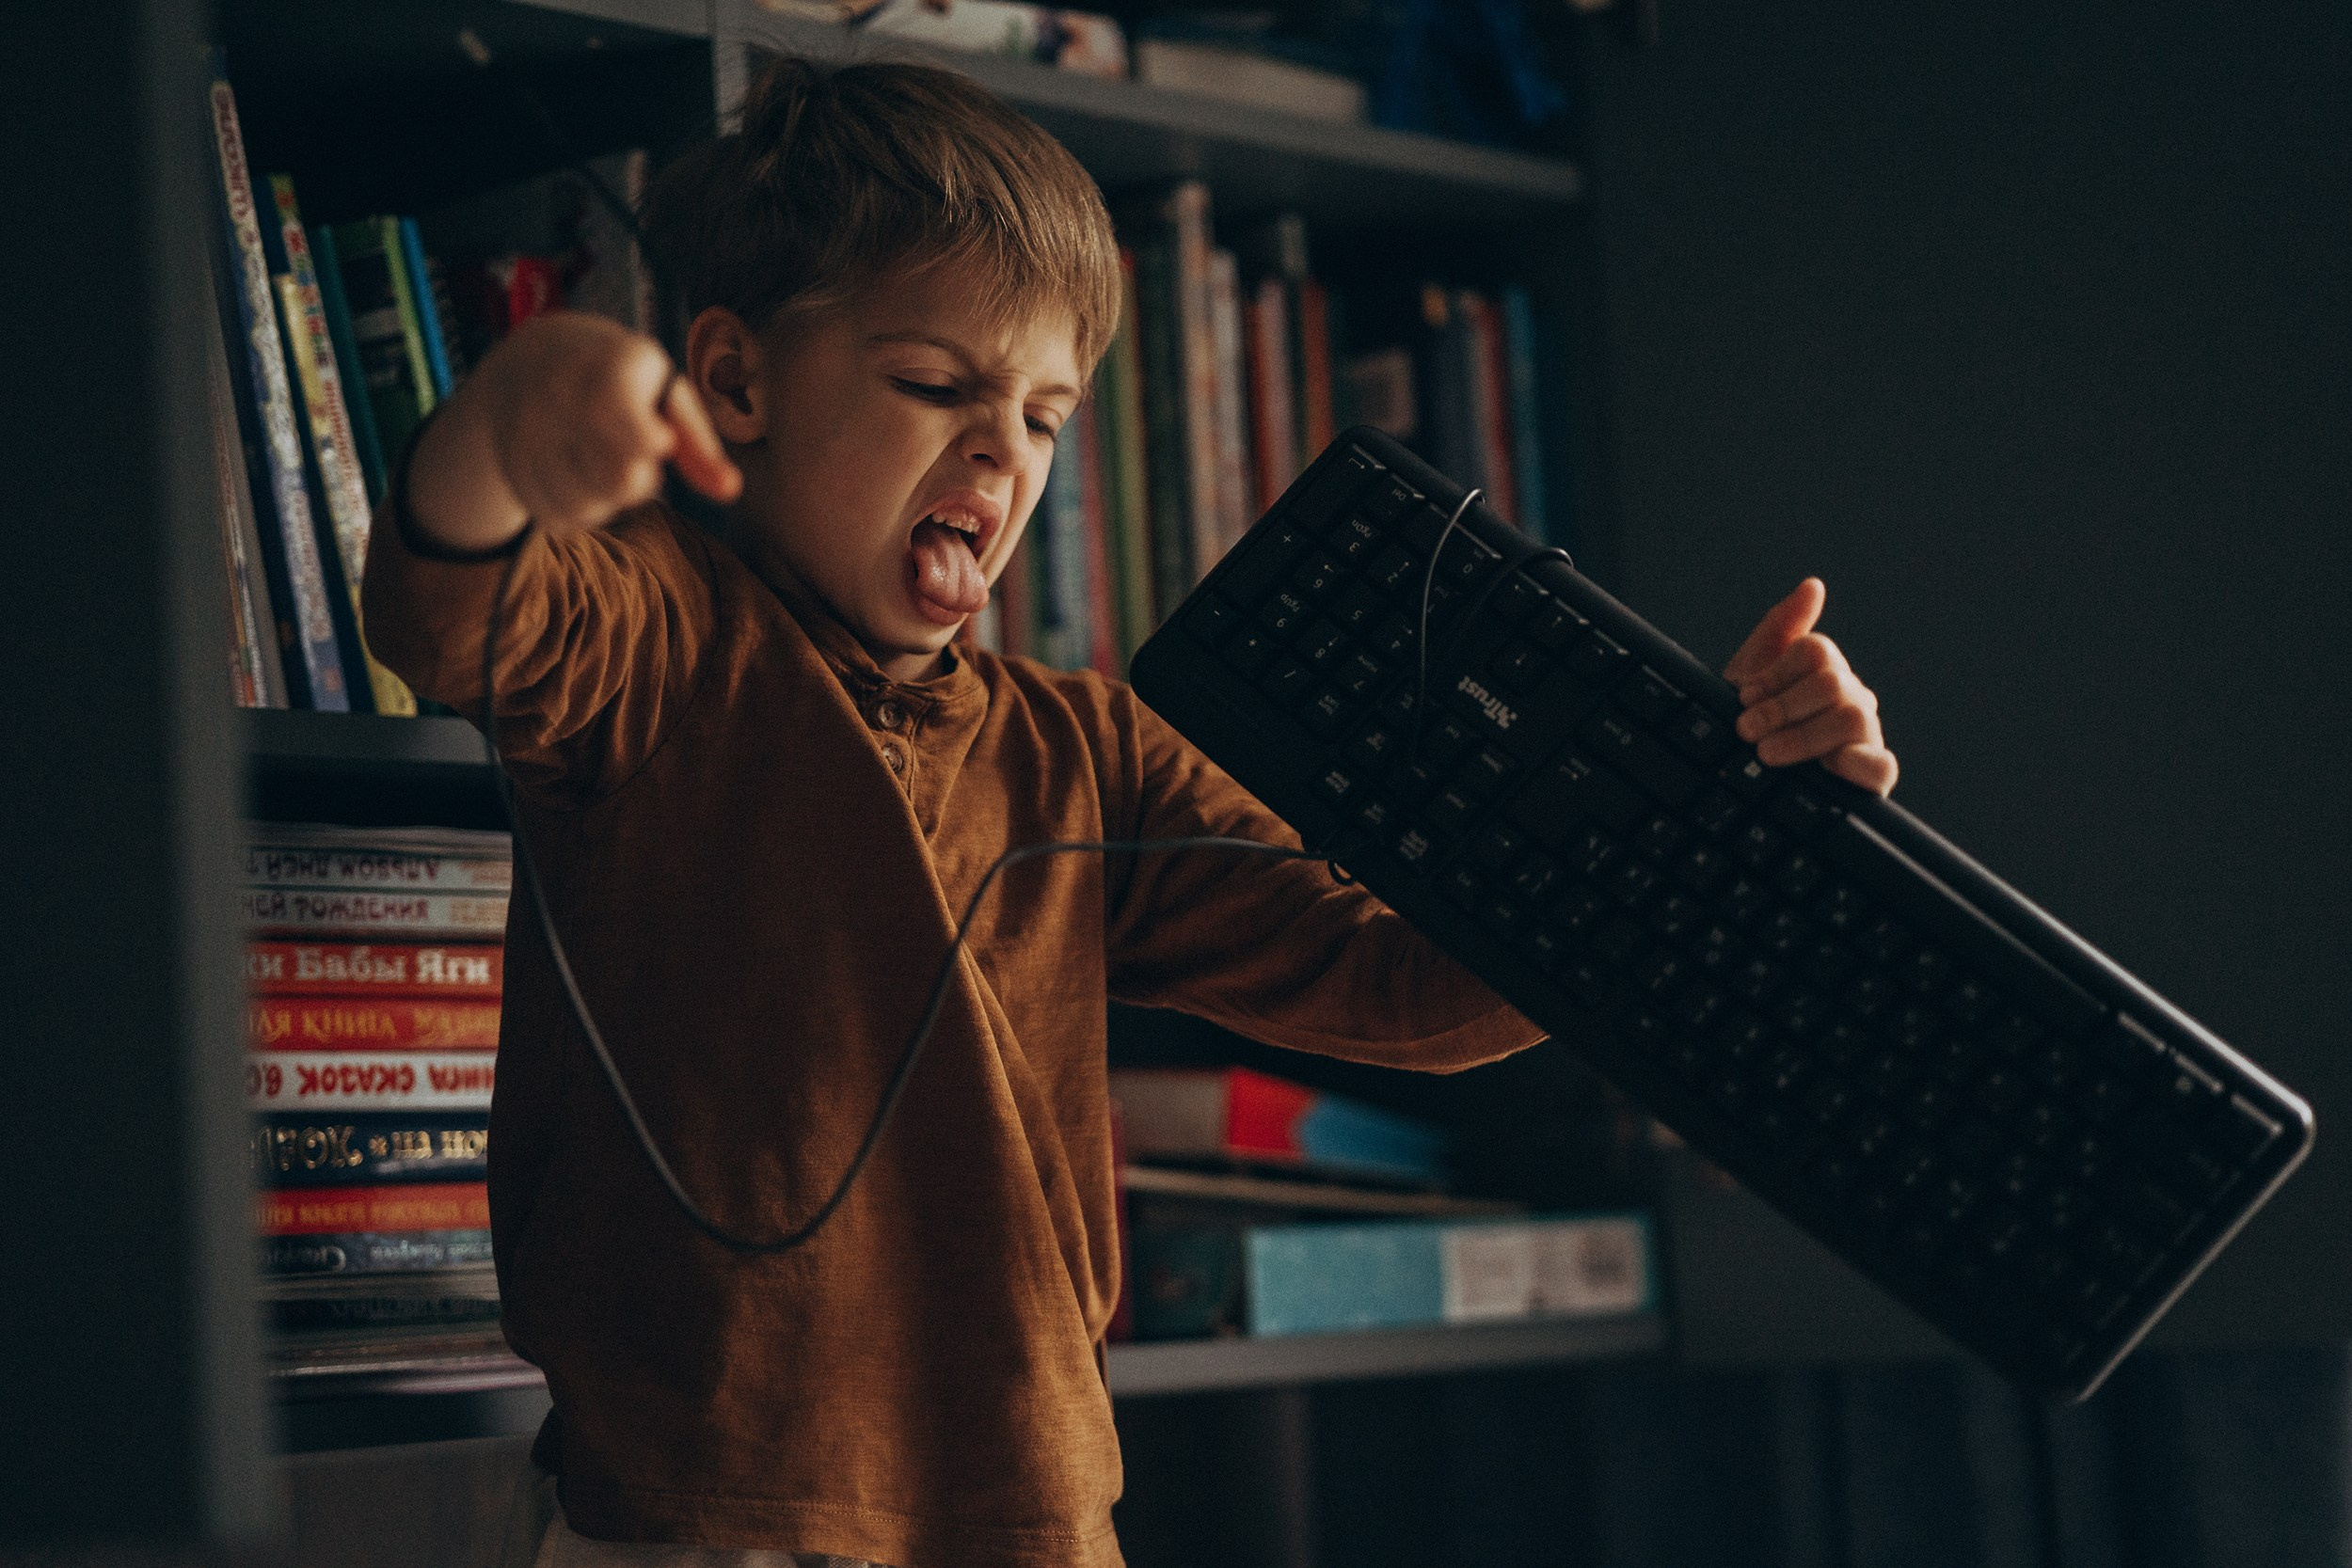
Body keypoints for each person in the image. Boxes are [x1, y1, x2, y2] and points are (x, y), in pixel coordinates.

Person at [363, 54, 1898, 1568]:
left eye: (1044, 416)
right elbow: (451, 616)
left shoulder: (1083, 749)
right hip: (703, 1528)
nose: (999, 451)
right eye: (936, 386)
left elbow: (1401, 982)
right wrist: (502, 434)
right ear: (738, 380)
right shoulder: (663, 640)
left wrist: (1724, 819)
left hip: (1042, 1522)